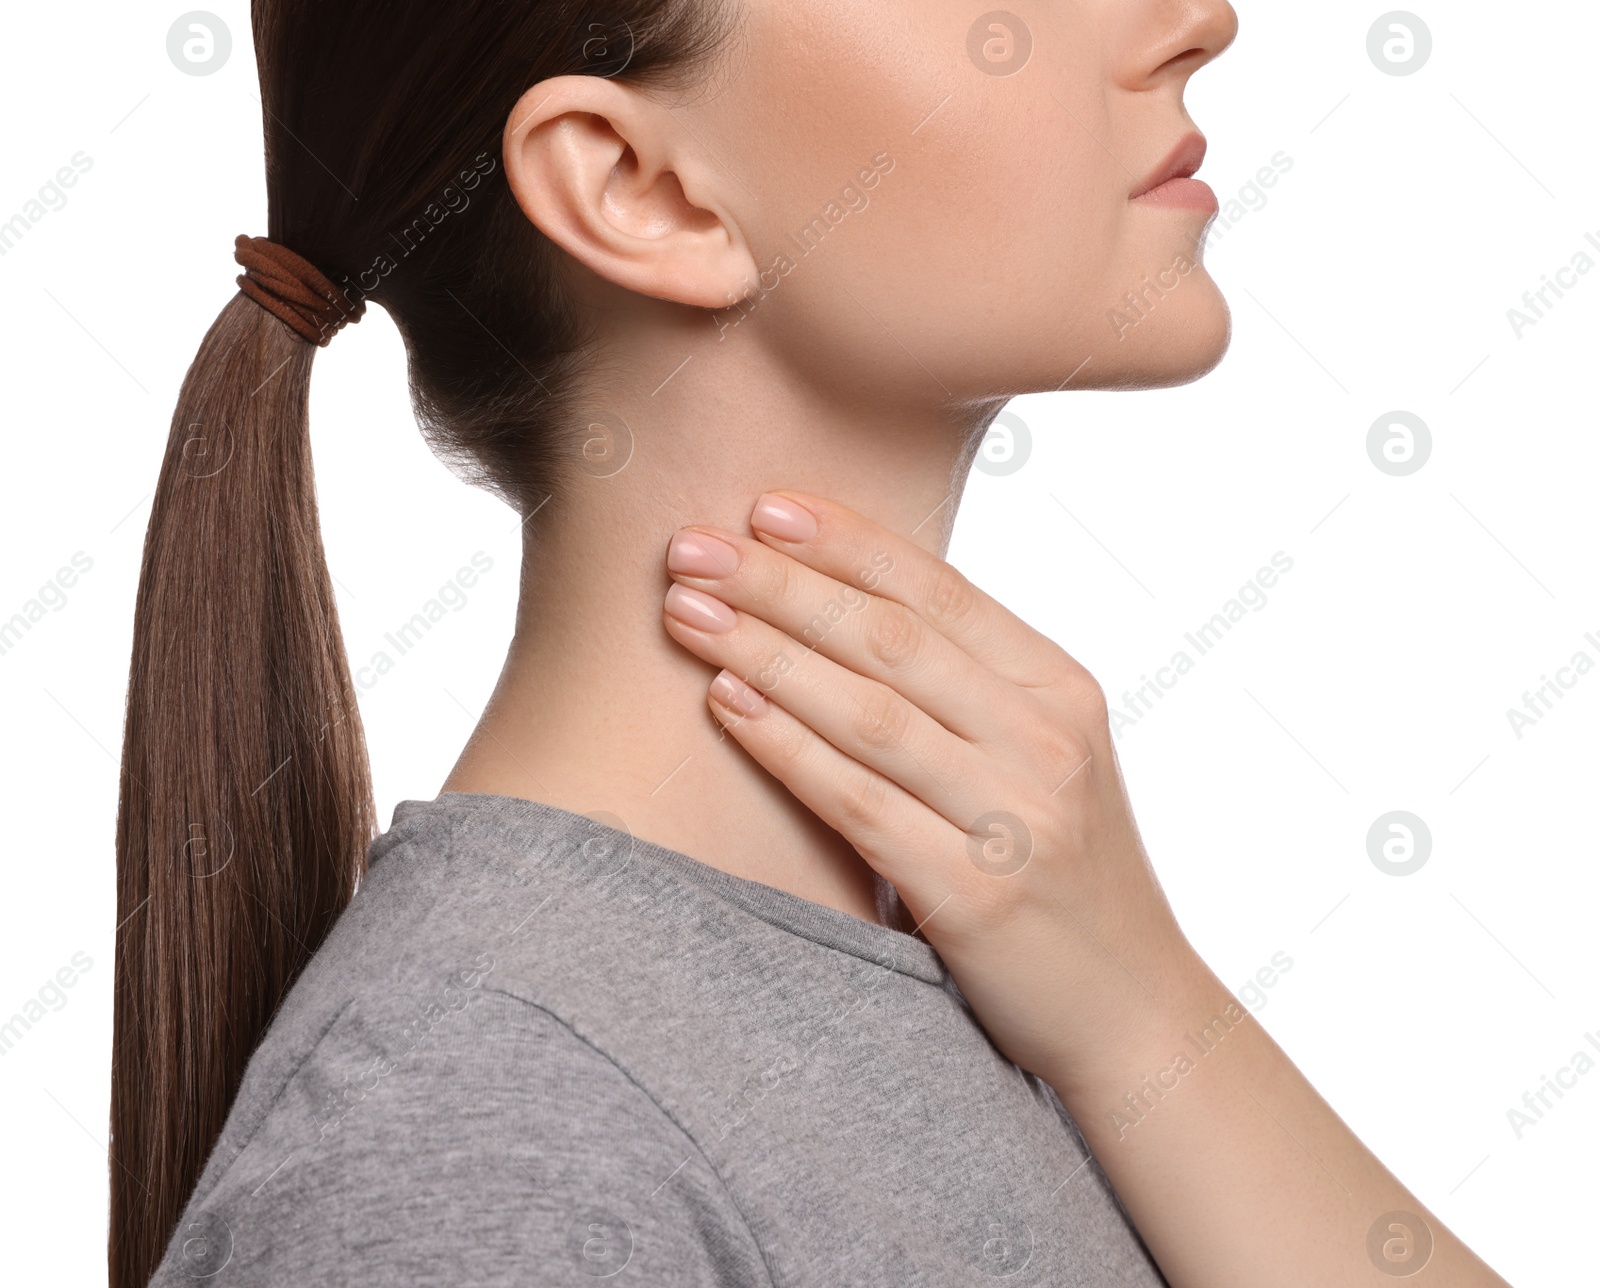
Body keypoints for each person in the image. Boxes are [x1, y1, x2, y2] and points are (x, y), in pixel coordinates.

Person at [113, 1, 1513, 1285]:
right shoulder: (476, 1142)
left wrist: (1145, 1015)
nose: (1194, 22)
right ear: (637, 188)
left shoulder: (1017, 971)